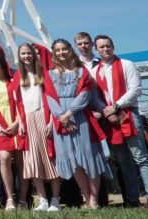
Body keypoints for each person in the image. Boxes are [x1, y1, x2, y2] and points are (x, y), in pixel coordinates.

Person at [93, 34, 148, 209]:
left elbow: (135, 89)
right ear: (96, 49)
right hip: (110, 120)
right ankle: (132, 199)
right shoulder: (95, 71)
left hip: (129, 115)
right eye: (101, 47)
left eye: (108, 46)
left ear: (113, 46)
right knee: (123, 161)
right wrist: (106, 111)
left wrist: (115, 106)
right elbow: (94, 96)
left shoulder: (126, 65)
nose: (105, 49)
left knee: (141, 158)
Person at [44, 38, 109, 209]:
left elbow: (85, 95)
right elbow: (50, 98)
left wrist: (69, 114)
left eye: (64, 49)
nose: (61, 53)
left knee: (89, 157)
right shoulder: (49, 74)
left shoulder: (81, 72)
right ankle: (87, 198)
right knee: (73, 160)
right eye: (57, 50)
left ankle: (95, 199)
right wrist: (61, 118)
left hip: (80, 117)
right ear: (54, 53)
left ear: (69, 50)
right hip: (61, 122)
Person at [16, 43, 61, 211]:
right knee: (33, 160)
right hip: (28, 120)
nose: (26, 56)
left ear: (34, 55)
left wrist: (50, 121)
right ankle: (42, 199)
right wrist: (20, 122)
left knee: (51, 159)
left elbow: (51, 96)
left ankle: (55, 199)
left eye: (28, 53)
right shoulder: (18, 76)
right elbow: (17, 102)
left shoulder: (43, 73)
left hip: (43, 116)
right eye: (23, 53)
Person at [0, 50, 25, 210]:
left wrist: (17, 122)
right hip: (1, 129)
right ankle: (9, 198)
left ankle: (22, 198)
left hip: (18, 125)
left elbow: (22, 102)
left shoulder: (14, 81)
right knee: (4, 159)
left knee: (22, 162)